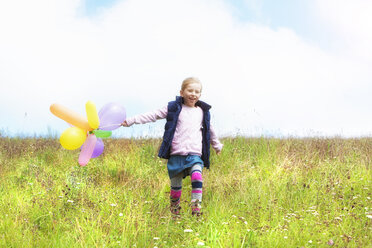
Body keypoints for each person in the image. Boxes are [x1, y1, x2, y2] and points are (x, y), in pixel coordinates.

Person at [121, 77, 223, 216]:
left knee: (197, 177)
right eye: (190, 90)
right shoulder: (174, 108)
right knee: (176, 188)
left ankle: (196, 210)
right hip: (176, 154)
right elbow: (153, 115)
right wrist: (131, 120)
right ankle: (175, 212)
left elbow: (210, 130)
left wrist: (217, 145)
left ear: (200, 95)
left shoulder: (202, 112)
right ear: (182, 92)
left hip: (194, 154)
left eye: (197, 92)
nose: (193, 94)